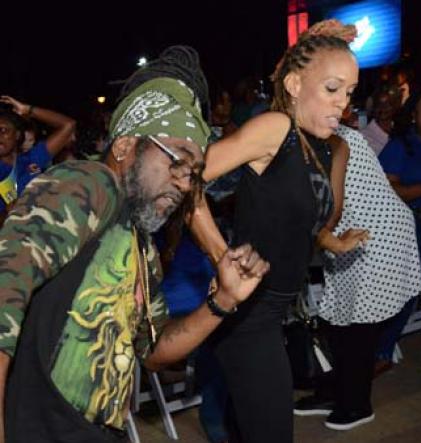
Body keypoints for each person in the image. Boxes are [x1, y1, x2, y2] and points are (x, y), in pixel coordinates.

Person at [0, 45, 270, 443]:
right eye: (176, 160)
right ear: (125, 146)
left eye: (193, 173)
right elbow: (5, 289)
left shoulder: (142, 246)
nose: (183, 182)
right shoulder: (89, 182)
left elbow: (155, 351)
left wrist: (222, 301)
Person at [189, 19, 368, 443]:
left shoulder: (326, 145)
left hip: (279, 310)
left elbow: (296, 218)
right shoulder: (275, 130)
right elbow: (186, 181)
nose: (341, 103)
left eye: (349, 92)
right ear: (292, 84)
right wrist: (221, 257)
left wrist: (331, 241)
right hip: (248, 317)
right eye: (331, 88)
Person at [294, 125, 421, 430]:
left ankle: (357, 405)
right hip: (350, 236)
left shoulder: (332, 137)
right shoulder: (308, 133)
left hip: (375, 237)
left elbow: (331, 211)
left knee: (357, 329)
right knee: (337, 322)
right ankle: (334, 392)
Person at [378, 84, 421, 379]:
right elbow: (385, 191)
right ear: (414, 114)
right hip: (414, 227)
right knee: (403, 293)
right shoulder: (402, 146)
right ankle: (381, 353)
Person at [0, 96, 76, 224]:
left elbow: (68, 125)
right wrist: (7, 213)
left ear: (17, 135)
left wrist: (27, 109)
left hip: (43, 235)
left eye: (3, 130)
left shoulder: (32, 159)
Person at [361, 84, 403, 156]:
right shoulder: (363, 137)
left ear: (396, 106)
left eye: (388, 104)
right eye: (379, 104)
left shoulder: (401, 130)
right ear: (373, 106)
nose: (383, 108)